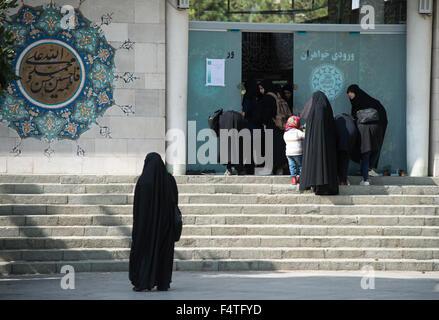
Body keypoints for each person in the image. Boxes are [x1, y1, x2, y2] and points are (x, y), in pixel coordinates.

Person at [129, 152, 178, 292]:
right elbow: (174, 203)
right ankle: (163, 282)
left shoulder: (144, 182)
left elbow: (139, 209)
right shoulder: (169, 180)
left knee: (145, 253)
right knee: (164, 254)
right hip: (166, 228)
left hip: (146, 228)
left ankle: (143, 281)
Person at [347, 84, 388, 185]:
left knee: (366, 152)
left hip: (367, 130)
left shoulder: (360, 103)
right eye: (348, 94)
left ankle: (366, 176)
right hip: (373, 129)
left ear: (356, 92)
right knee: (373, 150)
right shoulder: (369, 101)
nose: (350, 95)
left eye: (351, 93)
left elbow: (354, 118)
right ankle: (367, 169)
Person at [299, 91, 339, 195]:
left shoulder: (313, 113)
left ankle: (316, 185)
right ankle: (326, 186)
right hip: (327, 147)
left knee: (315, 163)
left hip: (314, 148)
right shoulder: (327, 111)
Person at [258, 79, 288, 175]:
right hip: (280, 126)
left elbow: (266, 114)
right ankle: (280, 168)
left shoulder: (267, 98)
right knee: (280, 148)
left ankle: (271, 168)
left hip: (272, 125)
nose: (261, 91)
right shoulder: (278, 95)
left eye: (262, 88)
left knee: (271, 148)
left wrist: (265, 123)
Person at [218, 110, 250, 175]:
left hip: (228, 133)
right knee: (238, 149)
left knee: (228, 150)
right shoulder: (240, 117)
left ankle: (229, 169)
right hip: (238, 133)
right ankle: (239, 170)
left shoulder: (222, 118)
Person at [334, 113, 358, 185]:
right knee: (344, 161)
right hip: (348, 144)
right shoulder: (351, 121)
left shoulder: (338, 120)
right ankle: (343, 180)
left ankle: (339, 179)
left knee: (338, 160)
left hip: (339, 143)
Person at [284, 115, 304, 184]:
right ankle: (301, 178)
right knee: (301, 165)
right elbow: (304, 136)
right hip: (297, 152)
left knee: (292, 166)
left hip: (289, 153)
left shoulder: (285, 133)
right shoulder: (298, 132)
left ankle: (293, 179)